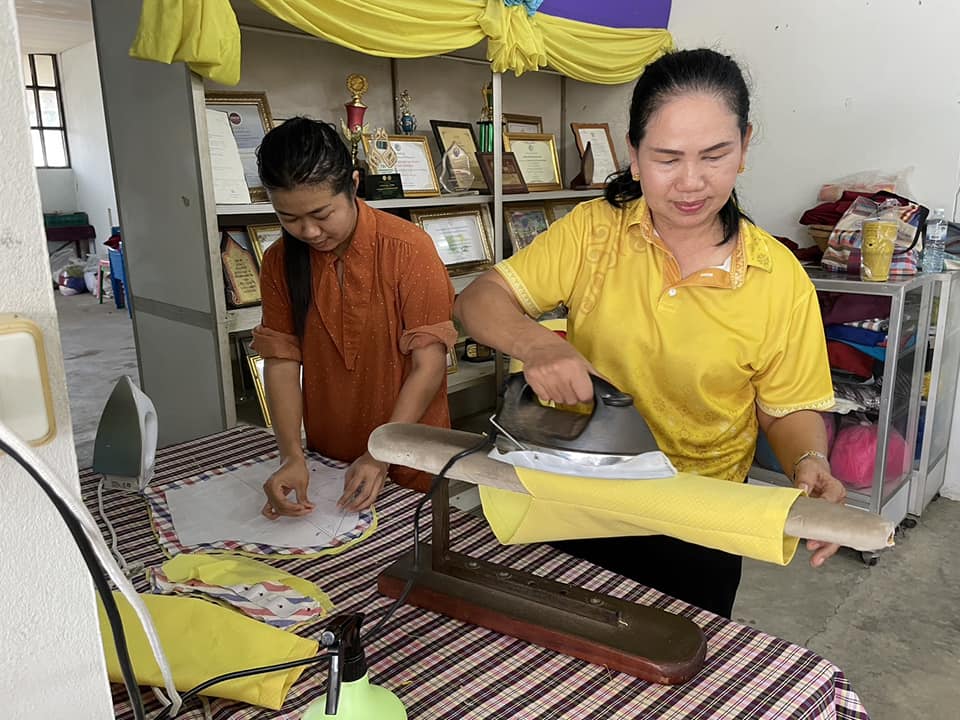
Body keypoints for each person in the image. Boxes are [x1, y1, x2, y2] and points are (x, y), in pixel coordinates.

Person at [454, 49, 845, 619]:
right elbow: (477, 300)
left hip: (700, 518)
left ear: (744, 147)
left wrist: (809, 460)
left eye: (715, 155)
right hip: (578, 496)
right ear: (634, 156)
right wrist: (536, 344)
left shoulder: (778, 278)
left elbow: (786, 409)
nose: (691, 183)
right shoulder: (594, 233)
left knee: (673, 660)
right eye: (667, 158)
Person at [252, 117, 456, 517]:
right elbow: (281, 362)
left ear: (354, 184)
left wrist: (379, 455)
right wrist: (291, 455)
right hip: (327, 460)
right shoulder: (278, 261)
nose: (309, 231)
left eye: (321, 214)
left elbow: (429, 366)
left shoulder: (408, 249)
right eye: (288, 218)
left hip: (410, 454)